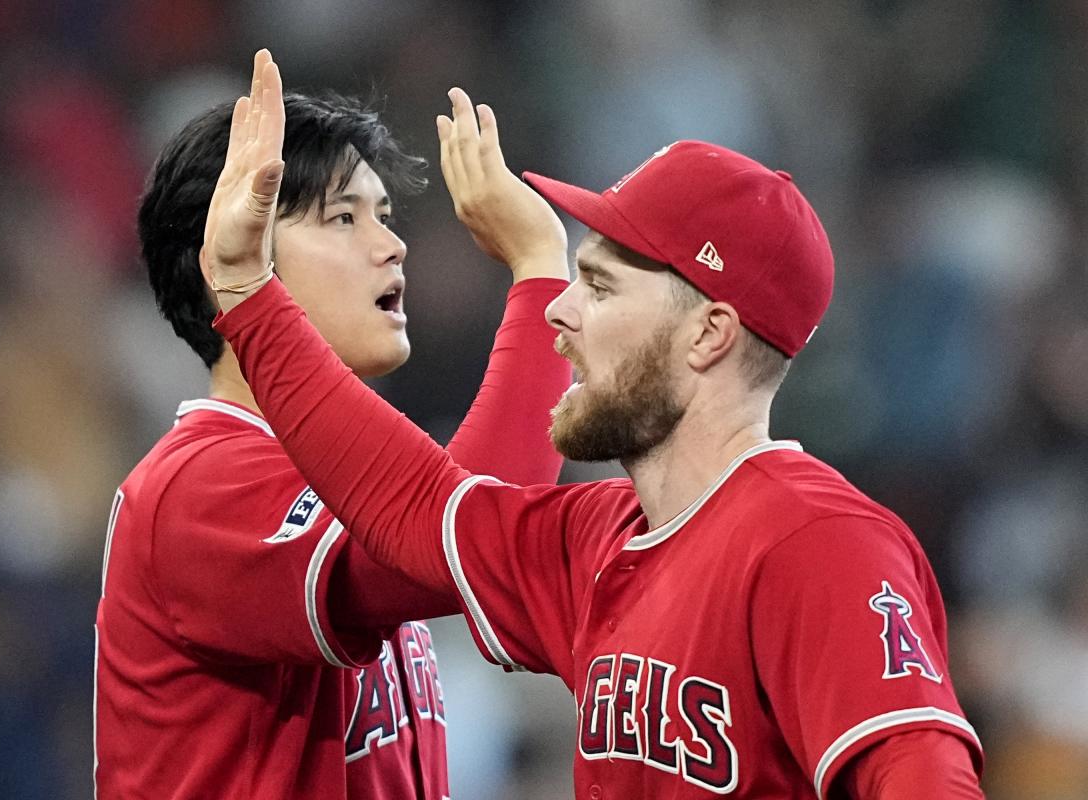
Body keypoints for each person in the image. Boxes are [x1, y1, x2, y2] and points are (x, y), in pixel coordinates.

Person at [207, 51, 987, 799]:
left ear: (709, 335)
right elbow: (415, 512)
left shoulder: (814, 540)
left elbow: (926, 778)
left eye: (601, 287)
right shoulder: (594, 539)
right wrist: (247, 292)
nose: (559, 307)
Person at [93, 50, 571, 799]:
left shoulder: (341, 478)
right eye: (343, 217)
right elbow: (476, 538)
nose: (391, 244)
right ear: (229, 248)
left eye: (383, 215)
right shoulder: (199, 486)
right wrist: (540, 266)